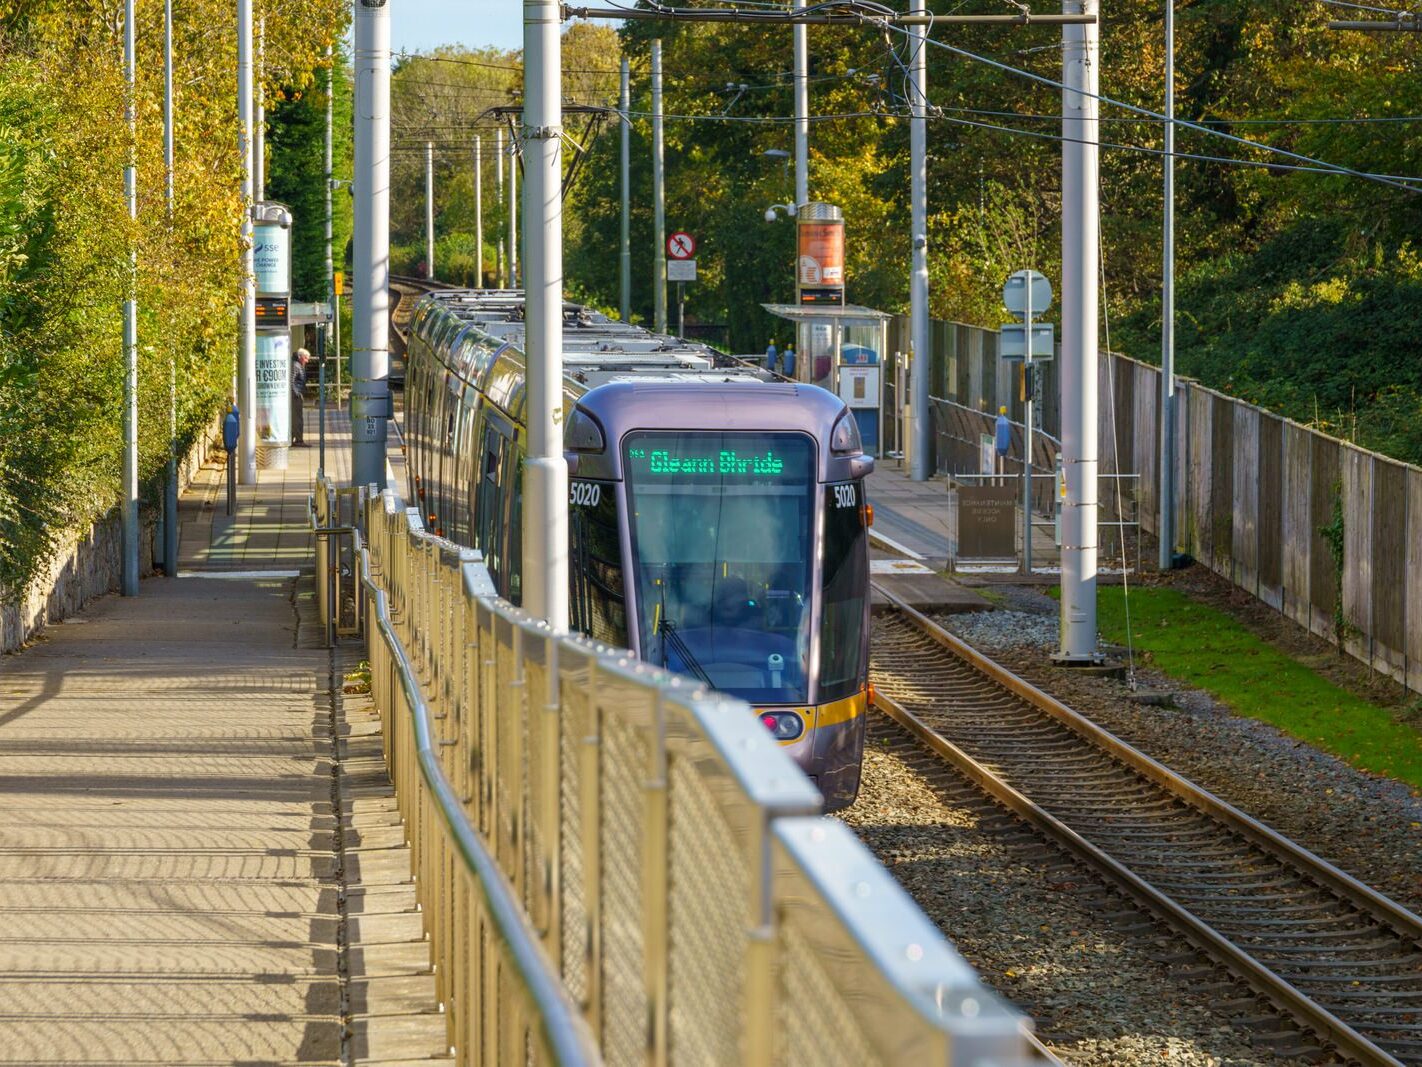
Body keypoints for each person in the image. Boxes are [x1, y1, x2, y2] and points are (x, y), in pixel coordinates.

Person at [291, 347, 310, 446]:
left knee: (296, 418)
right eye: (306, 358)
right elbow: (291, 381)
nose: (307, 360)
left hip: (296, 394)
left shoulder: (297, 365)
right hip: (295, 396)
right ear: (300, 357)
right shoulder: (296, 366)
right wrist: (297, 394)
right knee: (297, 418)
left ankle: (295, 438)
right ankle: (298, 440)